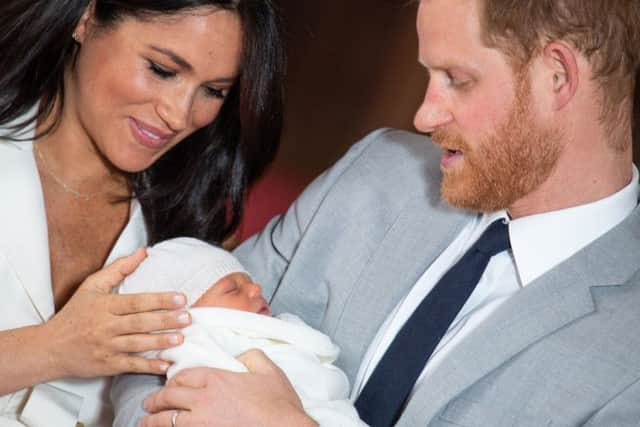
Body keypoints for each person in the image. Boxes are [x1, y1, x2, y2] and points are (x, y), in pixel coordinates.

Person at [114, 0, 640, 426]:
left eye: (457, 78)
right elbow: (162, 334)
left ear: (557, 76)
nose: (425, 115)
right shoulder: (378, 169)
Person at [0, 0, 284, 425]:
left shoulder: (190, 235)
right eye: (162, 69)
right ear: (87, 18)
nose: (178, 114)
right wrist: (51, 349)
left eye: (213, 91)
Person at [114, 237, 367, 427]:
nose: (256, 288)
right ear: (181, 316)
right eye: (232, 289)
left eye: (250, 280)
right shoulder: (196, 342)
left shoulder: (277, 330)